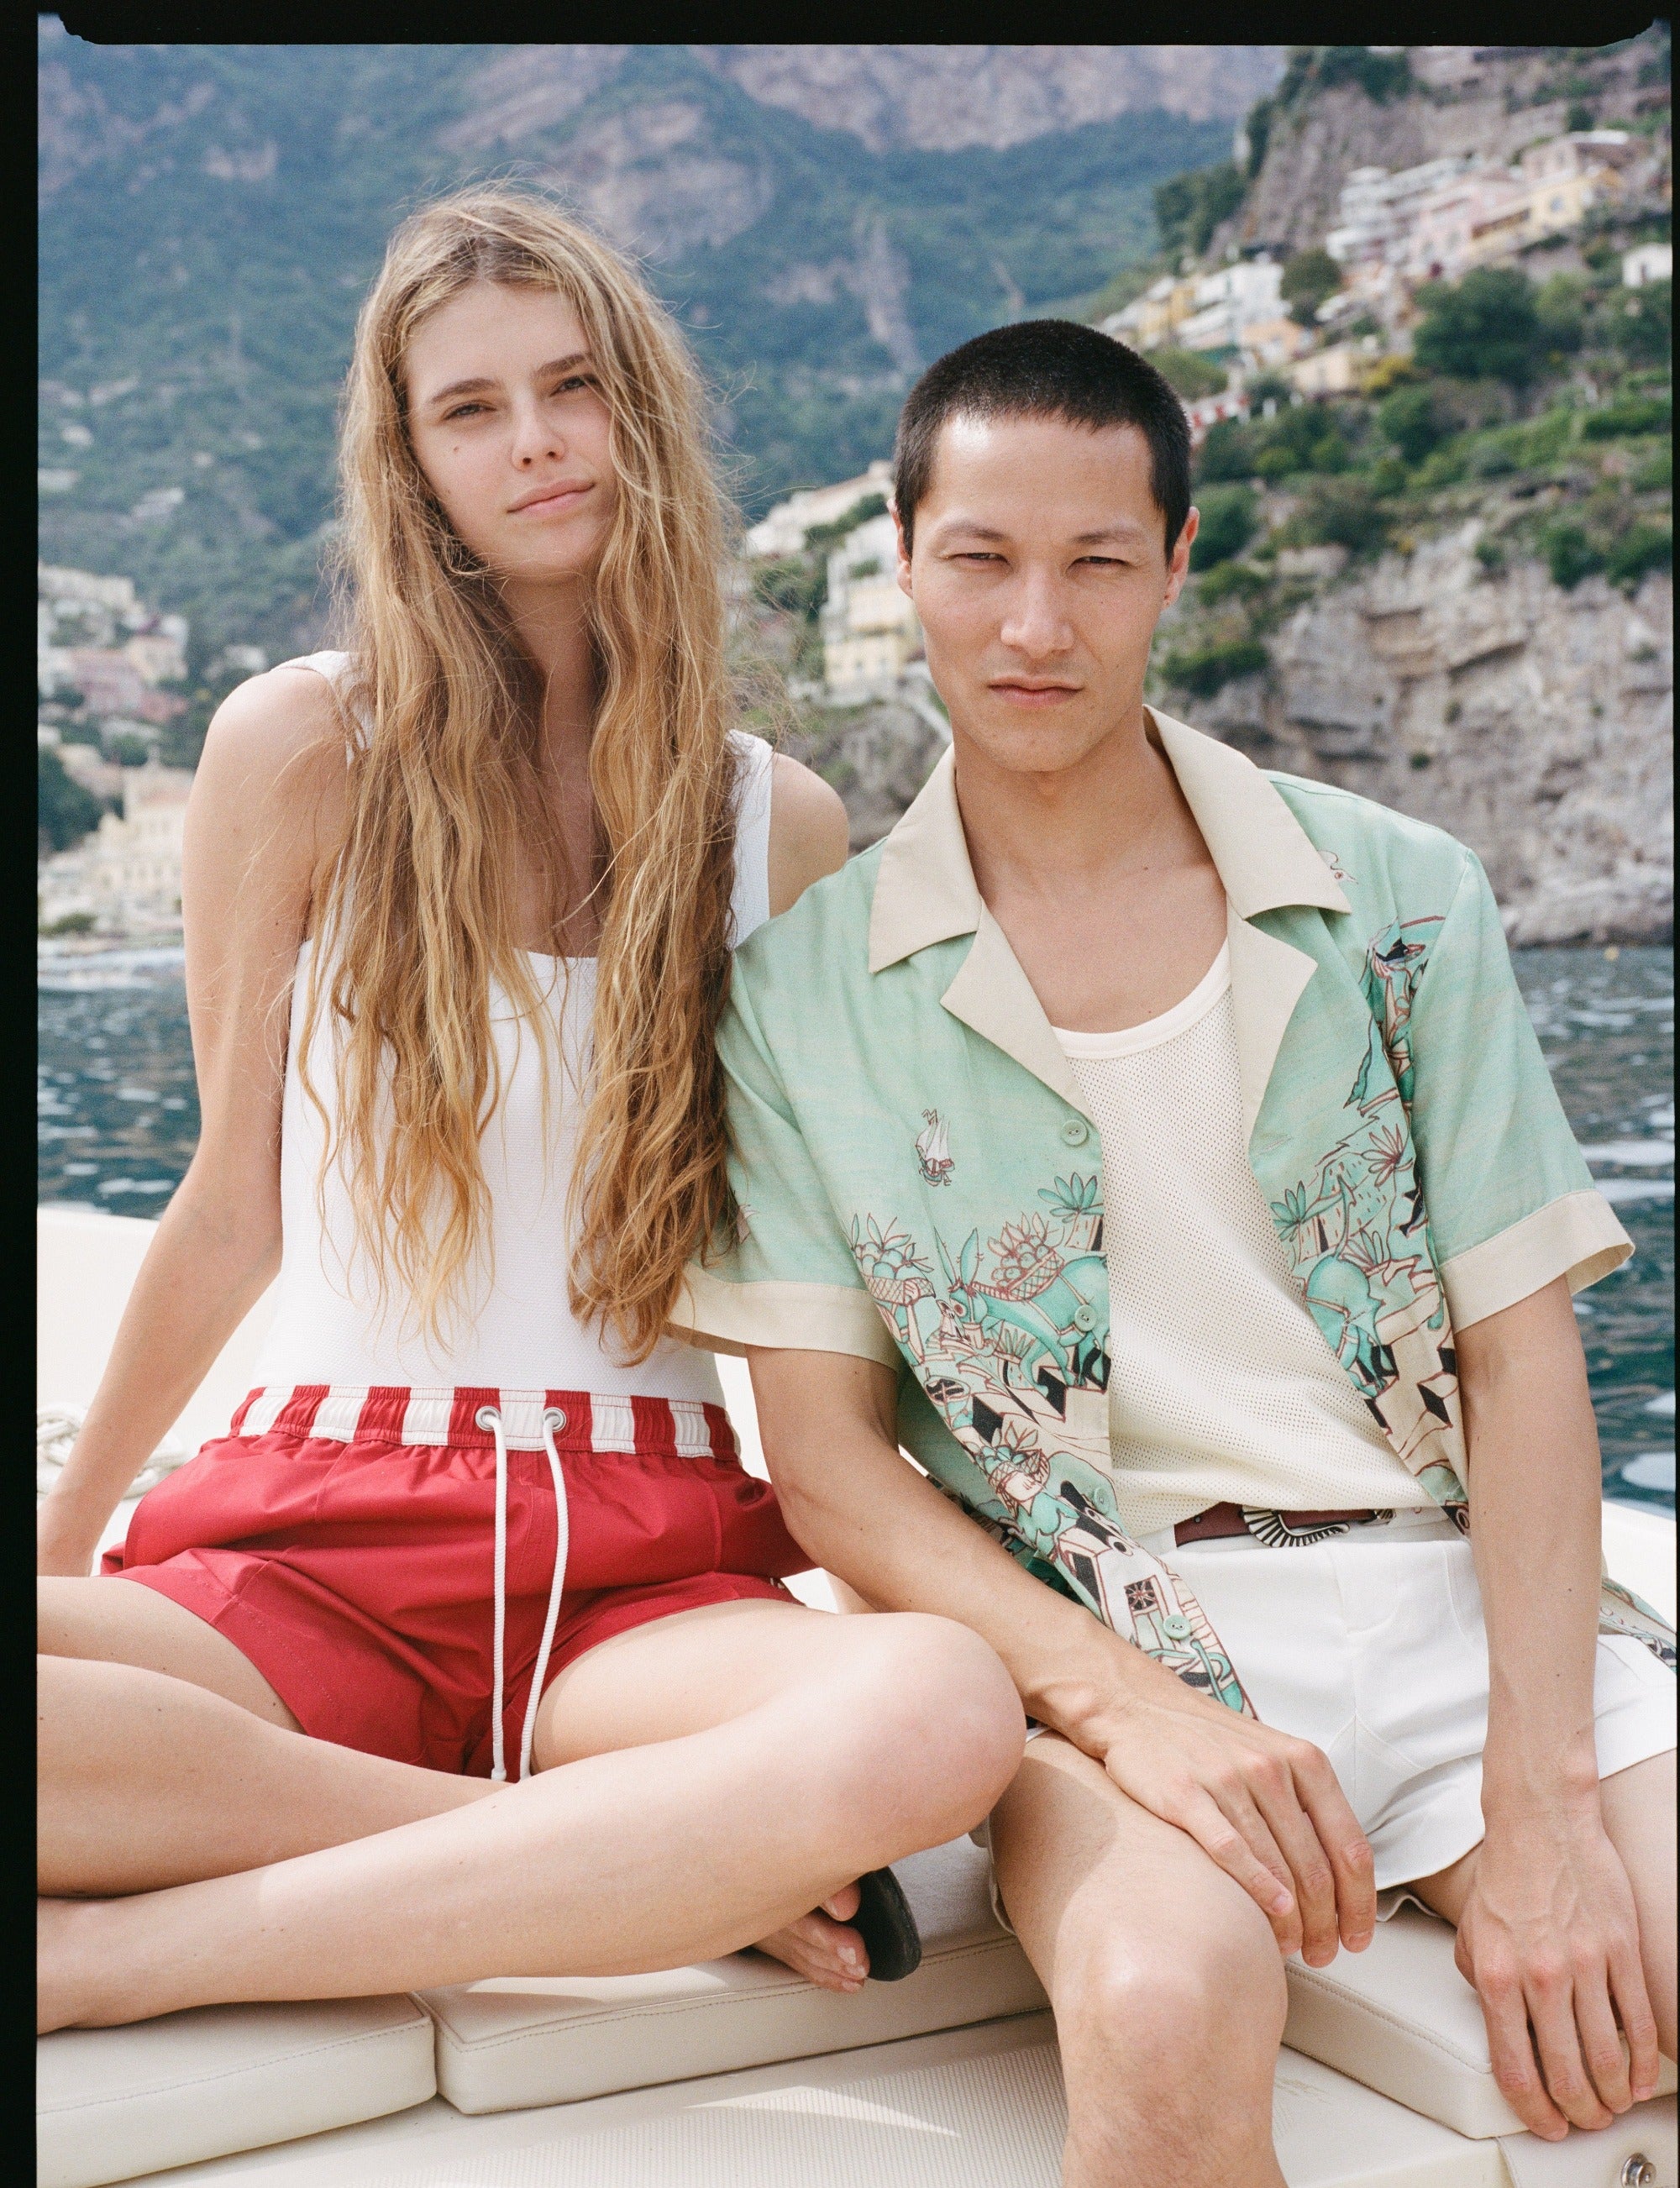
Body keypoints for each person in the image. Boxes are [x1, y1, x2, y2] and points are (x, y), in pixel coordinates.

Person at [675, 320, 1677, 2185]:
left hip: (1473, 1609)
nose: (1032, 625)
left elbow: (1530, 1358)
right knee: (1153, 2014)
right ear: (902, 564)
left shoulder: (1394, 896)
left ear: (1179, 564)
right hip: (1117, 1644)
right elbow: (825, 1468)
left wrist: (1539, 1800)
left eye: (1095, 563)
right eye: (979, 560)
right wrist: (1132, 1710)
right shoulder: (802, 998)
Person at [35, 190, 1024, 2034]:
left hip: (639, 1577)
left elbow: (821, 1293)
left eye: (573, 387)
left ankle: (103, 1962)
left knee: (938, 1712)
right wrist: (62, 1547)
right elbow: (230, 1207)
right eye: (468, 408)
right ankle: (597, 1856)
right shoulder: (299, 746)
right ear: (405, 462)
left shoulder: (772, 823)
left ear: (638, 411)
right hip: (308, 1546)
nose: (537, 441)